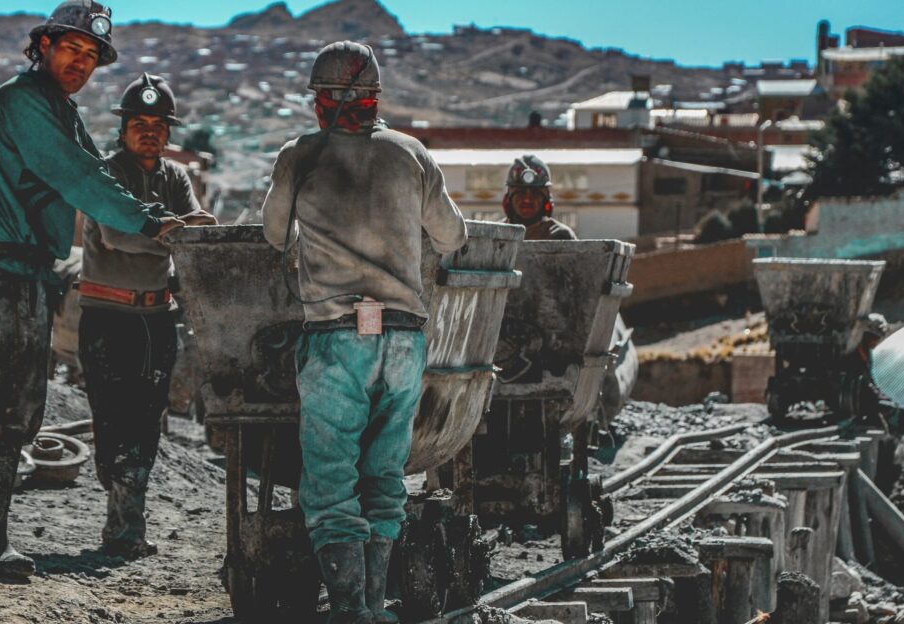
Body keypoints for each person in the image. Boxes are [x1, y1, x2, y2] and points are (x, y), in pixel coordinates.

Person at [0, 0, 197, 577]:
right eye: (72, 49)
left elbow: (96, 172)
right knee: (8, 408)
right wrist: (151, 222)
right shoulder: (26, 102)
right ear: (43, 46)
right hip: (9, 270)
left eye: (91, 55)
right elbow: (81, 177)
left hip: (26, 270)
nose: (81, 63)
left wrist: (148, 210)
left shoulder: (59, 108)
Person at [261, 41, 467, 624]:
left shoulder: (299, 155)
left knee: (330, 483)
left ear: (321, 101)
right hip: (403, 338)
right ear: (376, 96)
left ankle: (349, 610)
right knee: (383, 477)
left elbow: (274, 235)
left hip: (336, 339)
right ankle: (374, 608)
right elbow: (451, 237)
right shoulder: (412, 154)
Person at [79, 72, 215, 558]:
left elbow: (195, 230)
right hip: (107, 318)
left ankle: (124, 531)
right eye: (140, 123)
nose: (150, 132)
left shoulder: (174, 177)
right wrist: (166, 233)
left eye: (158, 124)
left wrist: (178, 231)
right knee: (112, 420)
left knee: (146, 420)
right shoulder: (105, 174)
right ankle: (122, 521)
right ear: (123, 129)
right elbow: (117, 235)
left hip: (157, 319)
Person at [501, 154, 576, 241]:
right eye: (520, 193)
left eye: (535, 193)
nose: (527, 199)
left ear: (545, 199)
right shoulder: (494, 234)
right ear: (509, 198)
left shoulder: (560, 236)